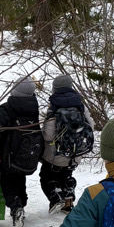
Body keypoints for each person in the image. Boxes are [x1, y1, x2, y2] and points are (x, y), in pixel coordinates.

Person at [0, 78, 43, 227]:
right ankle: (21, 203)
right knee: (20, 179)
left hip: (8, 155)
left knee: (8, 182)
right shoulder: (34, 108)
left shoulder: (7, 108)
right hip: (25, 155)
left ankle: (16, 206)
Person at [40, 74, 93, 213]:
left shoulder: (54, 106)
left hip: (55, 154)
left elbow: (48, 135)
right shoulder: (80, 105)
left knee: (46, 177)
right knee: (66, 175)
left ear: (54, 88)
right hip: (75, 153)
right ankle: (68, 200)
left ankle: (56, 198)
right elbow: (90, 127)